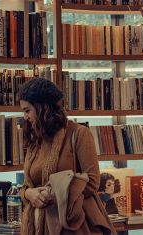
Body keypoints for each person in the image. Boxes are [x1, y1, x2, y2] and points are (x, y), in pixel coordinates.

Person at [19, 78, 116, 235]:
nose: (24, 117)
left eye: (27, 110)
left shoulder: (79, 134)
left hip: (72, 225)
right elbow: (27, 185)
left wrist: (50, 194)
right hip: (38, 226)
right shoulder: (35, 139)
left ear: (42, 107)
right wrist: (28, 194)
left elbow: (92, 182)